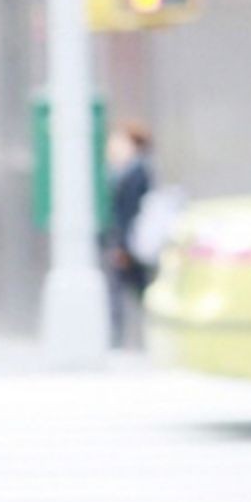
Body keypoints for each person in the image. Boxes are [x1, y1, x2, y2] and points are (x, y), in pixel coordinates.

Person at [103, 121, 155, 348]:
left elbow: (130, 211)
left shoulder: (137, 172)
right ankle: (119, 338)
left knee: (130, 290)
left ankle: (117, 340)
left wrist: (123, 245)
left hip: (130, 241)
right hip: (128, 240)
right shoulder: (126, 170)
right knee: (132, 290)